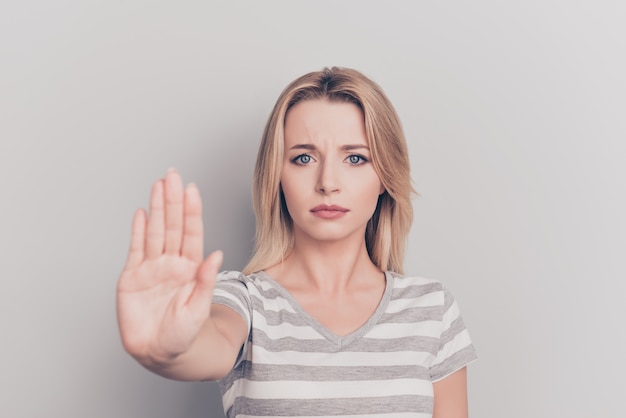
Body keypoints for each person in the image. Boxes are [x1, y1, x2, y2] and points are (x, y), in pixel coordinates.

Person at [117, 67, 477, 418]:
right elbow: (210, 344)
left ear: (385, 176)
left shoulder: (432, 310)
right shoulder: (244, 301)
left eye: (355, 158)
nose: (327, 182)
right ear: (277, 175)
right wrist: (167, 350)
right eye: (303, 158)